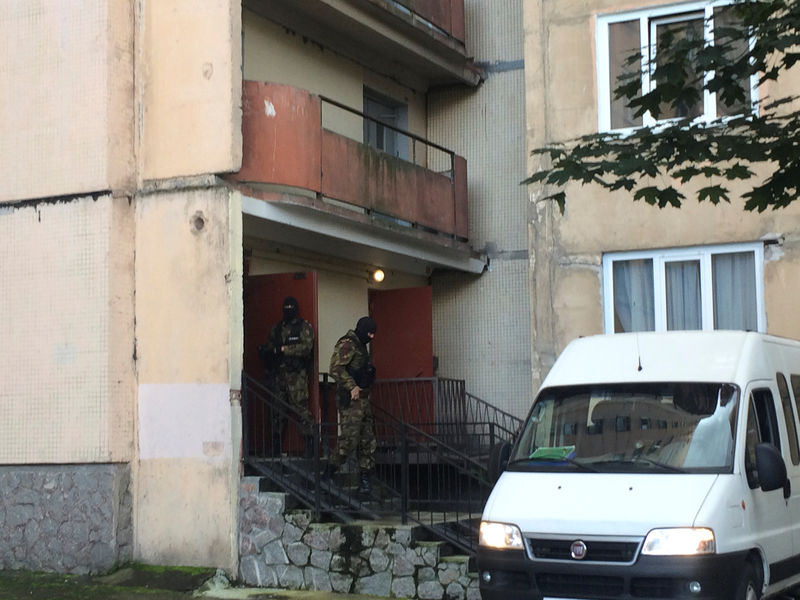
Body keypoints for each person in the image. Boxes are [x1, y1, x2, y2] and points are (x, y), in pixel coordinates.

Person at [326, 316, 378, 496]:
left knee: (367, 441)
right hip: (351, 400)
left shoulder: (362, 346)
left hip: (363, 400)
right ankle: (329, 472)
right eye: (369, 333)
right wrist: (352, 386)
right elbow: (335, 368)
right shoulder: (348, 343)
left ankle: (365, 481)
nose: (371, 337)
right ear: (362, 330)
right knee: (348, 440)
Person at [259, 296, 314, 456]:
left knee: (301, 410)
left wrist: (284, 350)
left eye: (291, 307)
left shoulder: (303, 327)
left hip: (297, 377)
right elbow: (271, 348)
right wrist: (267, 351)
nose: (288, 310)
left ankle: (310, 445)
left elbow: (306, 348)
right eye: (286, 307)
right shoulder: (276, 329)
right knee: (277, 412)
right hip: (279, 376)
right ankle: (275, 447)